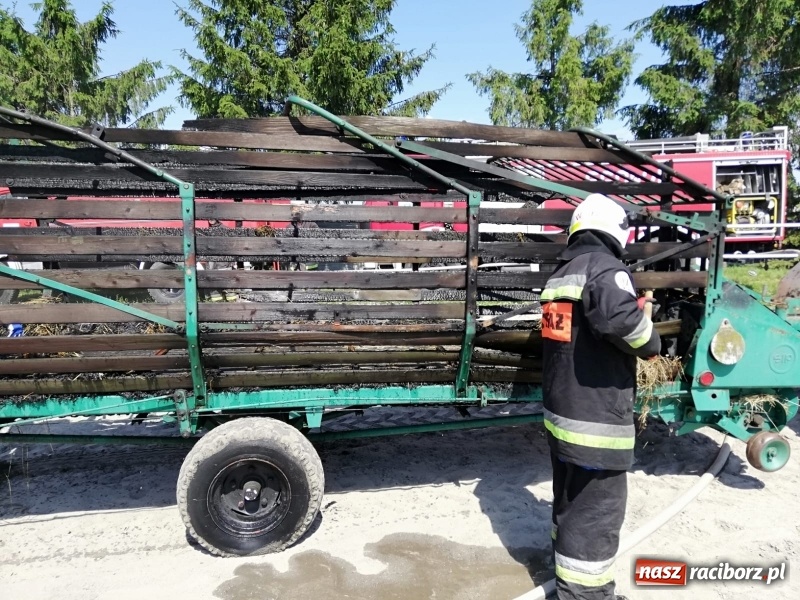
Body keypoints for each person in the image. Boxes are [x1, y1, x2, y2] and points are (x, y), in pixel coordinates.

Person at [541, 193, 661, 600]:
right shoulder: (607, 270)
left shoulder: (561, 275)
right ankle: (586, 595)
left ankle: (562, 571)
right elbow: (632, 333)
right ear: (615, 232)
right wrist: (648, 328)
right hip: (596, 422)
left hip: (563, 414)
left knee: (569, 501)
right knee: (596, 513)